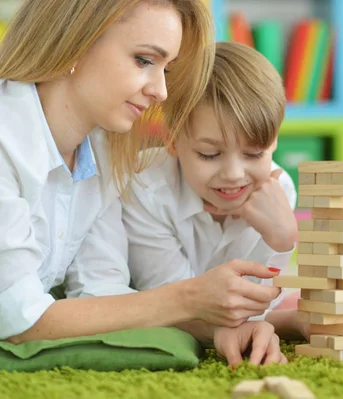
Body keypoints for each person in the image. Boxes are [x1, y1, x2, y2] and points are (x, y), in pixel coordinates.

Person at [0, 0, 286, 366]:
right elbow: (19, 318)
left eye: (167, 68)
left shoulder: (102, 153)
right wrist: (190, 297)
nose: (161, 92)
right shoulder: (8, 138)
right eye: (144, 60)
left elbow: (99, 295)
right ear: (75, 41)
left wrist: (219, 329)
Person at [122, 41, 305, 340]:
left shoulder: (278, 190)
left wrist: (283, 240)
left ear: (273, 142)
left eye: (254, 153)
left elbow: (255, 309)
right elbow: (171, 306)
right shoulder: (144, 186)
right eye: (209, 154)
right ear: (172, 142)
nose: (234, 175)